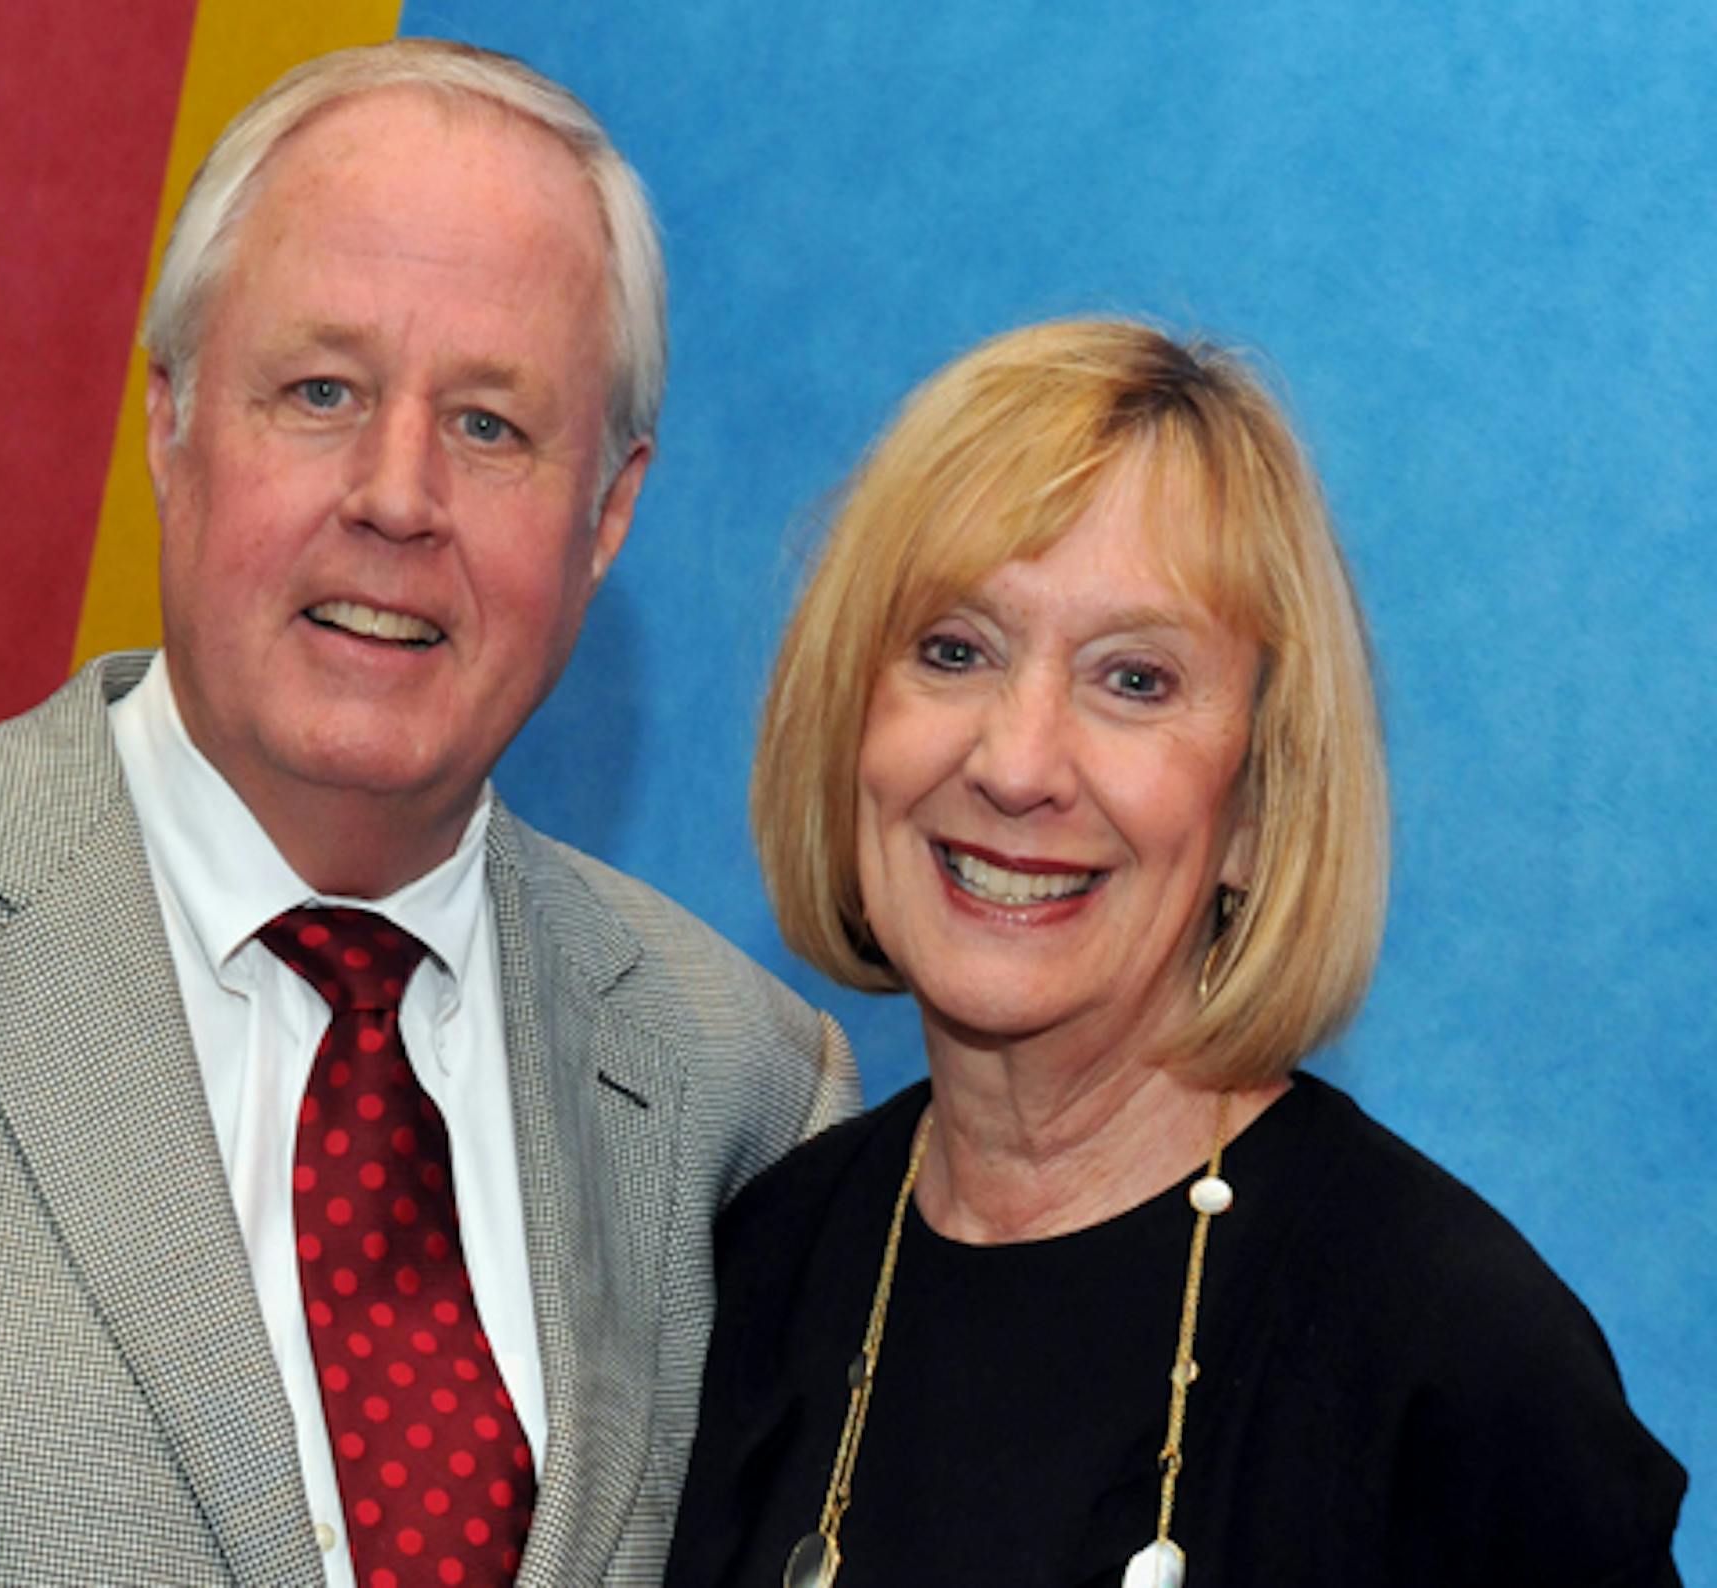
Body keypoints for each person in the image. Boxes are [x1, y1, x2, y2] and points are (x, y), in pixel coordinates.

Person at [0, 39, 855, 1587]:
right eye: (321, 392)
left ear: (611, 509)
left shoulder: (742, 1094)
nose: (397, 495)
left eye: (490, 426)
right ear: (171, 425)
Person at [664, 319, 1683, 1587]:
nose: (1017, 764)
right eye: (955, 650)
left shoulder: (1453, 1358)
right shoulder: (761, 1265)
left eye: (1134, 679)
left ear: (1256, 803)